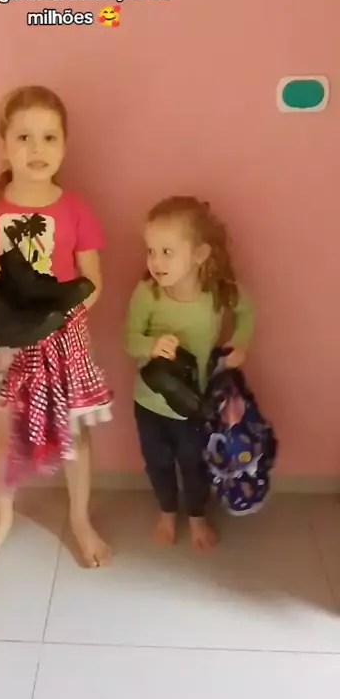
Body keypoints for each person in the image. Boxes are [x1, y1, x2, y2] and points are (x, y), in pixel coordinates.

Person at [0, 85, 112, 570]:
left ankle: (80, 519)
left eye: (49, 137)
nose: (37, 148)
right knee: (7, 434)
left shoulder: (76, 210)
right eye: (24, 137)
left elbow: (93, 283)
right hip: (9, 347)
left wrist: (58, 315)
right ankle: (2, 518)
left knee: (76, 437)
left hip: (64, 344)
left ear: (64, 146)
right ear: (3, 145)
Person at [125, 196, 254, 550]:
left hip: (195, 403)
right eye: (151, 251)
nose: (156, 262)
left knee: (194, 463)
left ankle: (196, 514)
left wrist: (239, 343)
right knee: (158, 462)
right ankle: (167, 510)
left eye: (167, 252)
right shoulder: (147, 294)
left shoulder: (217, 293)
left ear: (199, 255)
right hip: (150, 403)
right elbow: (129, 339)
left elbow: (245, 311)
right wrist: (151, 345)